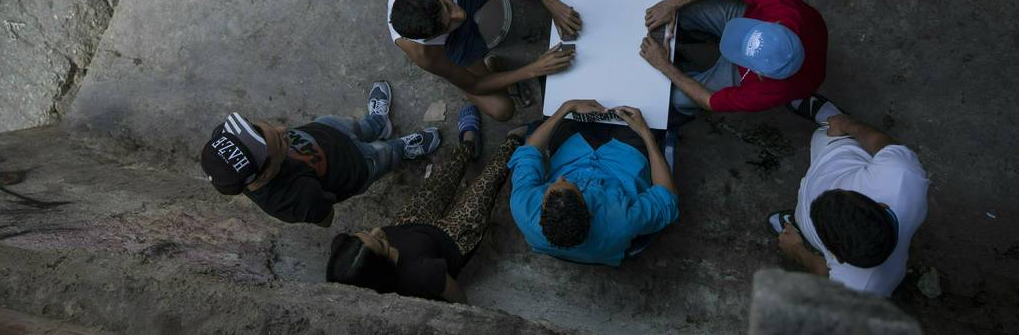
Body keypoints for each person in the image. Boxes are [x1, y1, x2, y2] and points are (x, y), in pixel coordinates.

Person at [326, 105, 523, 303]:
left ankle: (468, 145)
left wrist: (382, 242)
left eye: (367, 233)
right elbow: (460, 302)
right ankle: (513, 142)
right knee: (486, 184)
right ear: (382, 266)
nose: (377, 230)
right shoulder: (422, 274)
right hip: (453, 241)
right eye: (379, 243)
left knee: (445, 175)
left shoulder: (349, 256)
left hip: (411, 222)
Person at [388, 0, 580, 122]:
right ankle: (472, 66)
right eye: (448, 25)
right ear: (431, 39)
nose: (460, 15)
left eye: (447, 6)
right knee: (502, 110)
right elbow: (475, 85)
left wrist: (550, 2)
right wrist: (534, 69)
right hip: (453, 42)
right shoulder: (426, 54)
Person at [200, 82, 439, 226]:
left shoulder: (227, 136)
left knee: (359, 126)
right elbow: (326, 218)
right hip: (356, 166)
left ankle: (377, 123)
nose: (285, 129)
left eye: (266, 127)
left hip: (327, 130)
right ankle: (402, 149)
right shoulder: (293, 201)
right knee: (384, 153)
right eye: (281, 143)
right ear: (266, 173)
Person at [767, 94, 929, 297]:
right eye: (842, 194)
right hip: (842, 152)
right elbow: (882, 143)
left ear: (836, 258)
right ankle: (833, 115)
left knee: (803, 218)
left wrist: (798, 250)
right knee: (826, 131)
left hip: (828, 167)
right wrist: (846, 123)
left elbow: (822, 272)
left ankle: (800, 224)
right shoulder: (901, 176)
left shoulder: (862, 288)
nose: (828, 191)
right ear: (882, 206)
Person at [508, 100, 679, 266]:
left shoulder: (524, 207)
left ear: (541, 213)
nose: (560, 178)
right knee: (644, 103)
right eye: (574, 187)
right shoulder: (622, 222)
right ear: (589, 212)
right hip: (626, 158)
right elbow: (667, 199)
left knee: (569, 89)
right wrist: (646, 134)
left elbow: (528, 152)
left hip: (572, 148)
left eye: (552, 185)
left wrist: (566, 108)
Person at [639, 0, 827, 114]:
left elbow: (709, 101)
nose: (738, 40)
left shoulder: (769, 91)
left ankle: (683, 66)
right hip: (744, 16)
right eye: (751, 31)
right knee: (683, 11)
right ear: (777, 24)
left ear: (759, 75)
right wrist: (672, 4)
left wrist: (666, 67)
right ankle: (696, 37)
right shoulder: (784, 7)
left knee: (680, 98)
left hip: (742, 72)